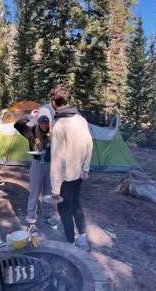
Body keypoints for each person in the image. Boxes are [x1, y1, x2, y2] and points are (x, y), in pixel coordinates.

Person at [48, 85, 93, 249]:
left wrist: (55, 188)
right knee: (76, 205)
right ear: (65, 100)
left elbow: (57, 159)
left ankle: (70, 243)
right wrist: (85, 169)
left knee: (64, 210)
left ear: (53, 102)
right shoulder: (81, 120)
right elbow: (90, 144)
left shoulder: (60, 126)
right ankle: (83, 239)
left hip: (65, 178)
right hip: (79, 175)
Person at [14, 109, 57, 236]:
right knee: (34, 193)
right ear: (38, 122)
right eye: (41, 122)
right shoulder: (32, 131)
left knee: (48, 193)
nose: (44, 125)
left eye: (46, 123)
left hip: (50, 166)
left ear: (49, 123)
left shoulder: (54, 133)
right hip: (37, 165)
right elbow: (18, 125)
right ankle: (31, 221)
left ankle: (47, 216)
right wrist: (30, 116)